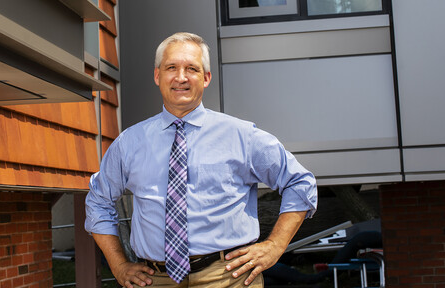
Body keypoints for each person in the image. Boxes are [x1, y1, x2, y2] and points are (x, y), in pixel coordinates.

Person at [85, 32, 317, 288]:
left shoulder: (242, 136)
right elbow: (98, 200)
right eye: (171, 67)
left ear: (206, 77)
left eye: (191, 69)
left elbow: (300, 182)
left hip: (227, 276)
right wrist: (118, 264)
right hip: (154, 280)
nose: (181, 77)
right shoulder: (129, 143)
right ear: (157, 76)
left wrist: (275, 246)